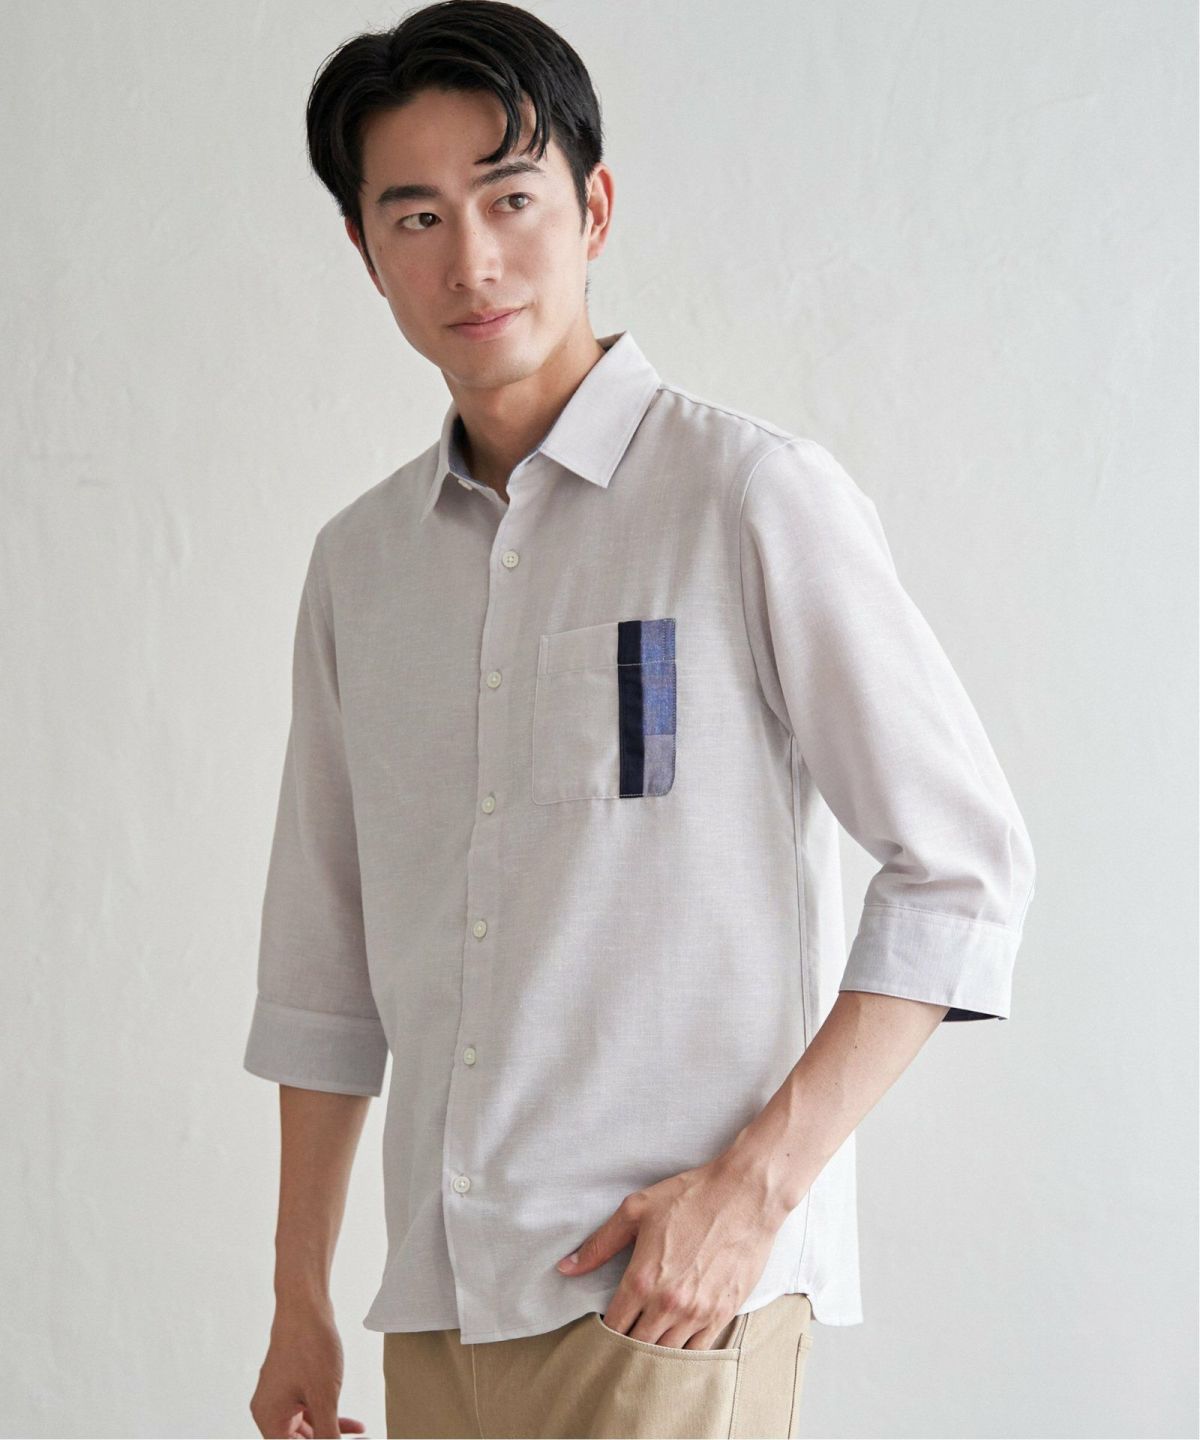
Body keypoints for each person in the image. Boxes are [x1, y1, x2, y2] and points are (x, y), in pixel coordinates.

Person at [243, 3, 1037, 1437]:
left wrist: (755, 1194)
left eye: (510, 198)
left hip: (664, 1301)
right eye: (416, 216)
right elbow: (324, 967)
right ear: (364, 250)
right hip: (437, 1307)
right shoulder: (358, 568)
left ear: (593, 208)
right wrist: (300, 1296)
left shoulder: (747, 496)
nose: (471, 259)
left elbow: (964, 867)